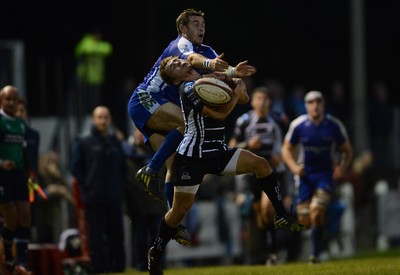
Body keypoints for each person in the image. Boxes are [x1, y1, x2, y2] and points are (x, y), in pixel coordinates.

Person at [146, 56, 304, 275]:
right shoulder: (187, 88)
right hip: (193, 157)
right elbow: (219, 113)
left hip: (218, 151)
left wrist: (236, 79)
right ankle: (156, 251)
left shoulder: (206, 78)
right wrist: (235, 94)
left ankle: (280, 214)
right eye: (174, 65)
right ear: (174, 80)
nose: (179, 62)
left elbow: (241, 99)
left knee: (262, 165)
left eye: (176, 60)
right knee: (179, 211)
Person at [128, 8, 256, 246]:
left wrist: (237, 82)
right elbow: (195, 61)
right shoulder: (181, 46)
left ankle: (173, 221)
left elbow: (228, 77)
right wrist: (219, 70)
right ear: (183, 29)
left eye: (203, 24)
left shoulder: (208, 51)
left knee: (175, 166)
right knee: (187, 126)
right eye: (195, 23)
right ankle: (149, 169)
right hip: (146, 100)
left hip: (165, 106)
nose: (201, 28)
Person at [281, 90, 353, 264]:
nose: (315, 106)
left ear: (323, 104)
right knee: (305, 219)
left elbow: (347, 150)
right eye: (311, 102)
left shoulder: (333, 125)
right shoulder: (299, 125)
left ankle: (315, 254)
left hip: (324, 175)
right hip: (305, 175)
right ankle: (321, 237)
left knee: (317, 210)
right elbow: (286, 149)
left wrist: (342, 167)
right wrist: (293, 167)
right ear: (306, 106)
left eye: (318, 102)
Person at [229, 86, 291, 265]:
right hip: (251, 173)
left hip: (273, 171)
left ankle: (273, 252)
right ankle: (268, 250)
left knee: (267, 208)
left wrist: (283, 155)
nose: (262, 103)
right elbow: (232, 145)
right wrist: (248, 143)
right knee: (260, 217)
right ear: (253, 102)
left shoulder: (279, 119)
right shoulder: (244, 121)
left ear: (269, 102)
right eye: (259, 99)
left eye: (266, 99)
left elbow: (291, 142)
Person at [70, 106, 126, 273]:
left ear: (110, 120)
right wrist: (88, 185)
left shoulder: (115, 141)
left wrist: (118, 186)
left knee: (116, 234)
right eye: (100, 117)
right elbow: (75, 168)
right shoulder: (84, 140)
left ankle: (118, 268)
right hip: (94, 198)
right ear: (94, 120)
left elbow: (123, 168)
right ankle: (97, 268)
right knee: (95, 237)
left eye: (106, 117)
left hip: (114, 197)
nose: (103, 120)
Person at [122, 127, 169, 271]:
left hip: (157, 201)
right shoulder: (127, 151)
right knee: (139, 237)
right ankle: (140, 265)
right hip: (137, 202)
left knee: (158, 236)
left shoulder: (157, 148)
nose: (141, 135)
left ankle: (158, 262)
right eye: (138, 131)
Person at [0, 85, 34, 275]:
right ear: (1, 101)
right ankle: (8, 254)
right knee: (11, 217)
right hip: (2, 175)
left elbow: (23, 150)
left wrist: (31, 171)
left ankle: (21, 261)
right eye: (8, 99)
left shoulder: (21, 124)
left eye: (14, 99)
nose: (11, 103)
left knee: (26, 215)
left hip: (19, 173)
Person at [74, 30, 113, 128]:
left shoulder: (99, 44)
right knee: (86, 99)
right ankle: (89, 113)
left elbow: (108, 49)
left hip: (97, 78)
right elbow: (81, 50)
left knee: (97, 100)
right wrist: (96, 49)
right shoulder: (86, 41)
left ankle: (96, 112)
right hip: (85, 77)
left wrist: (94, 49)